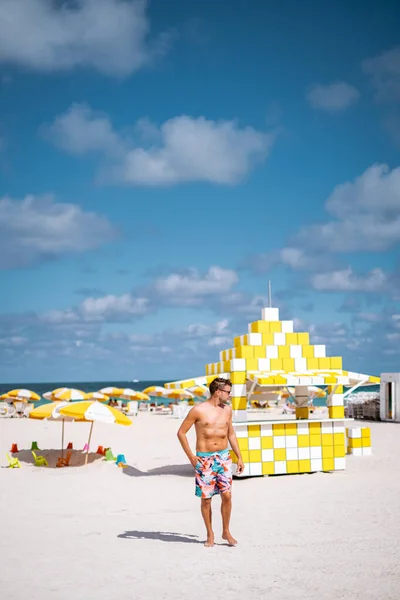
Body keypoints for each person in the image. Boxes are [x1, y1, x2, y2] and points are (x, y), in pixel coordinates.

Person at [177, 377, 244, 547]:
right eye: (228, 392)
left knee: (227, 495)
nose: (230, 395)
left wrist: (239, 456)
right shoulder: (198, 410)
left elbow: (231, 434)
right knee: (206, 499)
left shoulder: (227, 410)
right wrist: (191, 456)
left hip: (223, 458)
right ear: (218, 391)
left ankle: (226, 531)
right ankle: (210, 534)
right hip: (205, 459)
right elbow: (181, 433)